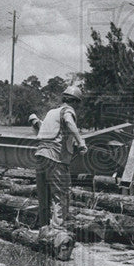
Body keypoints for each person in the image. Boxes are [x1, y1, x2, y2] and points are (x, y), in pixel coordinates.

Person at [29, 85, 88, 229]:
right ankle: (57, 231)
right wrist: (80, 142)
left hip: (41, 156)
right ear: (75, 102)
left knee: (44, 196)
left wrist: (34, 121)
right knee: (61, 195)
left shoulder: (51, 112)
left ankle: (43, 229)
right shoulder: (67, 111)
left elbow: (42, 128)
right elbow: (68, 121)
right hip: (56, 158)